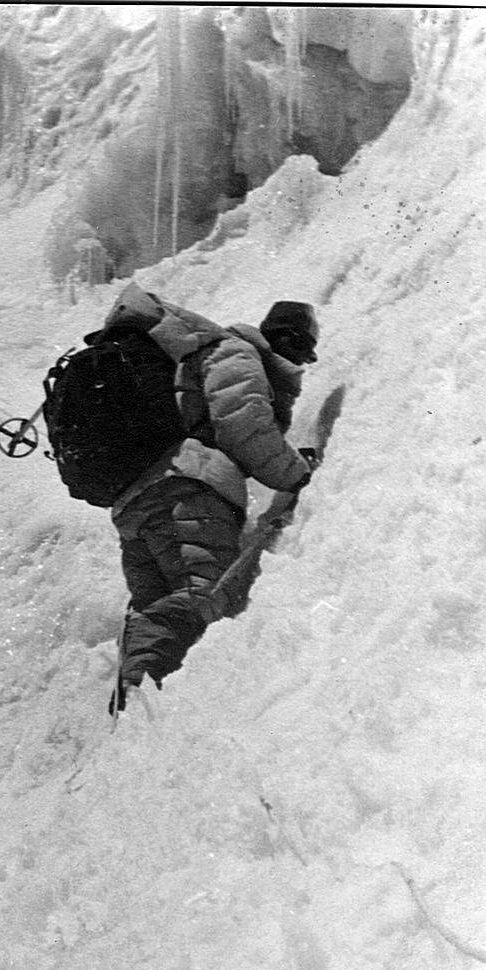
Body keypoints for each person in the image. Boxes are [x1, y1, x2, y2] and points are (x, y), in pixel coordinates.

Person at [108, 286, 320, 714]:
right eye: (302, 350)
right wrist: (298, 475)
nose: (302, 363)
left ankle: (134, 712)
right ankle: (137, 694)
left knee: (159, 610)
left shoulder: (209, 356)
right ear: (287, 341)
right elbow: (242, 426)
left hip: (135, 505)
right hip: (186, 490)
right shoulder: (237, 354)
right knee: (203, 595)